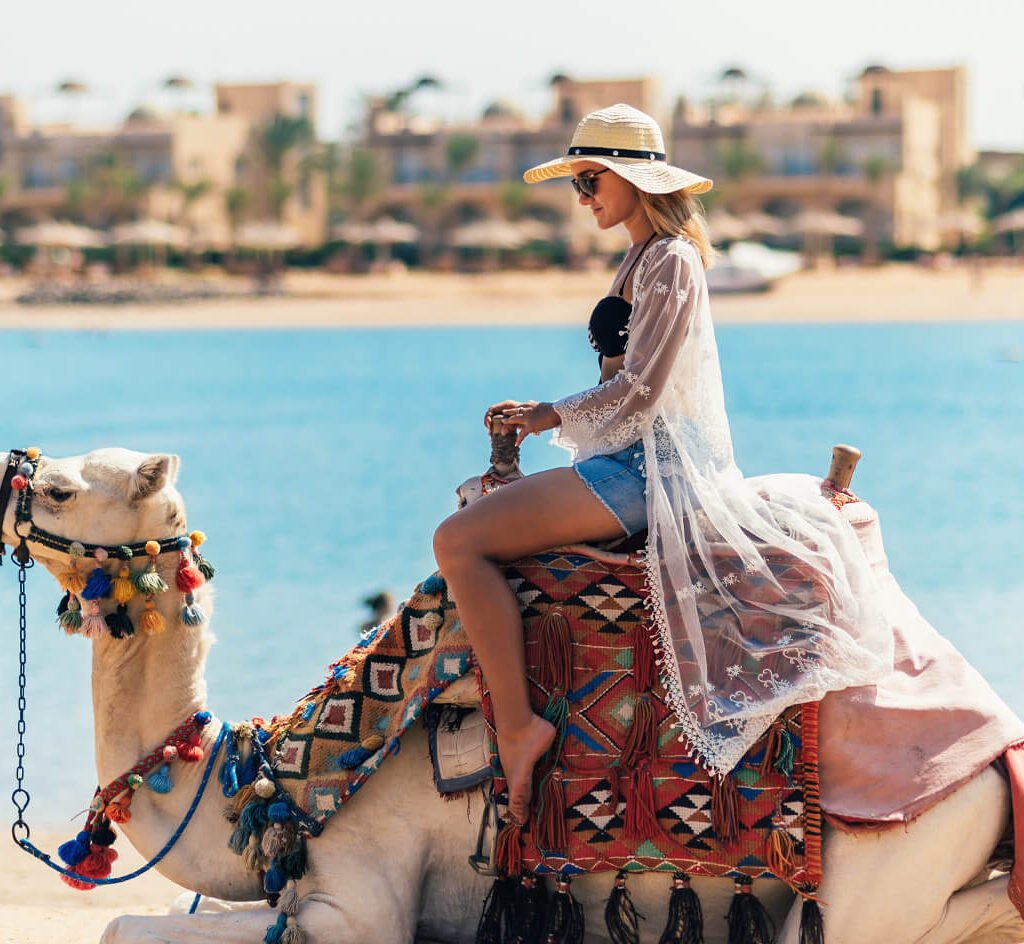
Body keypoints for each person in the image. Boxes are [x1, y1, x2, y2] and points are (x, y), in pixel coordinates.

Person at [432, 104, 891, 824]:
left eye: (591, 181)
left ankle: (521, 728)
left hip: (654, 472)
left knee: (457, 542)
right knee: (467, 529)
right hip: (629, 458)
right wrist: (556, 406)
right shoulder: (641, 256)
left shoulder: (672, 260)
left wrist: (551, 414)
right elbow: (626, 379)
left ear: (632, 177)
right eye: (577, 185)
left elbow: (643, 387)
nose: (583, 199)